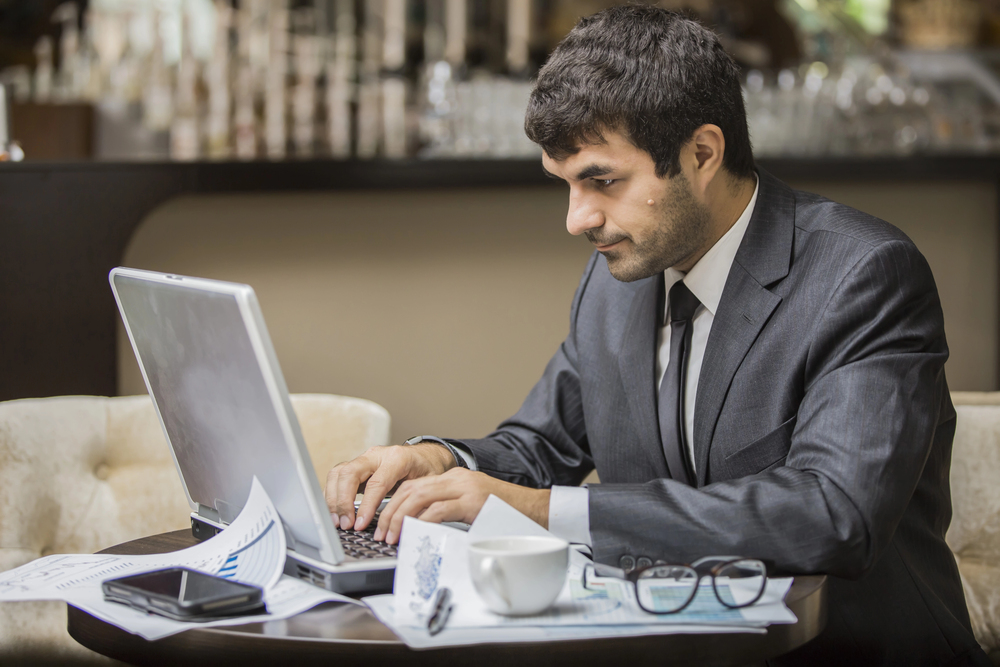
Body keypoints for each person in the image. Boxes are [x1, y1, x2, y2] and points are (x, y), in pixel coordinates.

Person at [325, 6, 988, 665]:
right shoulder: (612, 284)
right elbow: (538, 446)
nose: (577, 219)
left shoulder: (863, 275)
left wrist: (542, 510)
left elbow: (831, 513)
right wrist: (442, 461)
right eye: (565, 185)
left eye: (602, 181)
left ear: (702, 153)